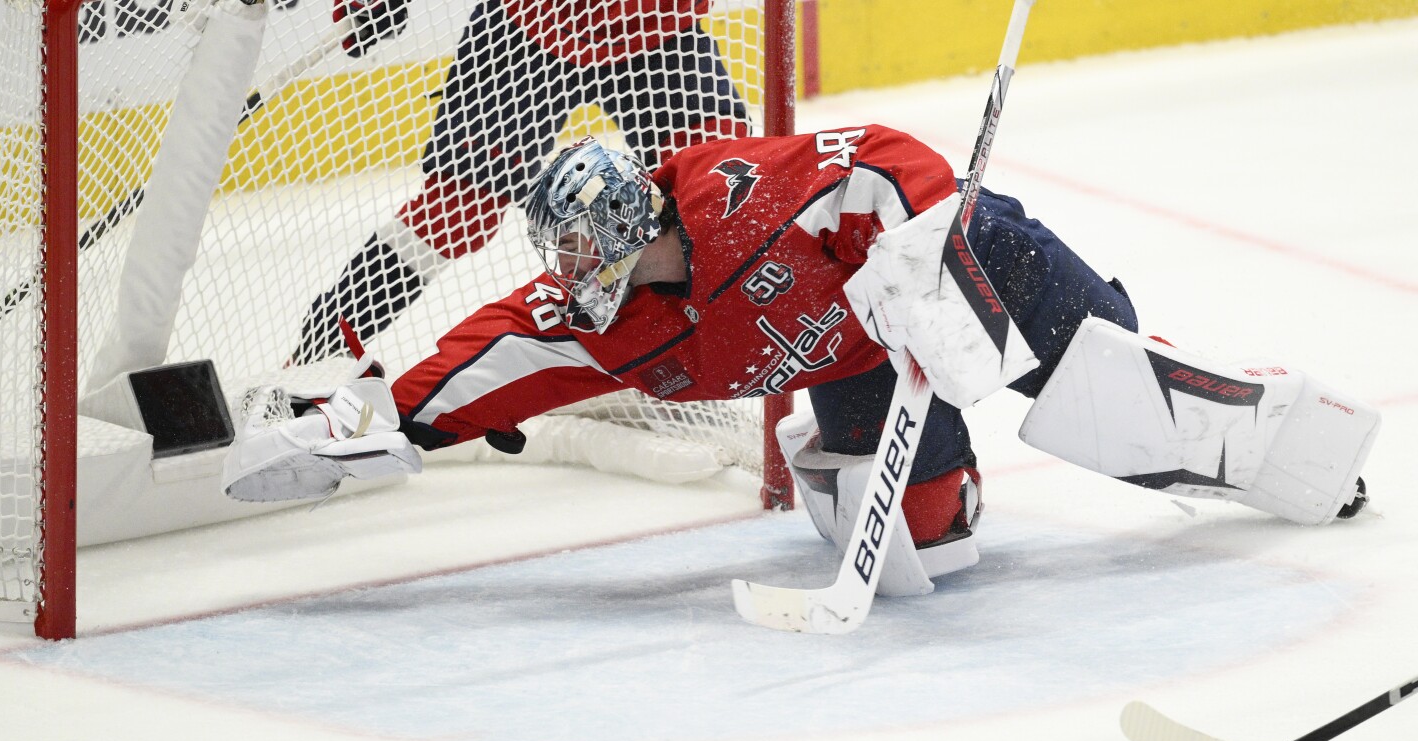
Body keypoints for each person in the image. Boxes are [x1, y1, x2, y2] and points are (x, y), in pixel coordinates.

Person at [226, 125, 1377, 596]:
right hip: (863, 354)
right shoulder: (607, 319)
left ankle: (1298, 444)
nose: (572, 266)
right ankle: (904, 453)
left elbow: (879, 156)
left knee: (1106, 411)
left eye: (585, 241)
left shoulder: (740, 196)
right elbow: (493, 355)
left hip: (969, 264)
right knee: (933, 546)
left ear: (631, 219)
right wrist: (389, 421)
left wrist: (920, 249)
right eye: (562, 249)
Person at [292, 0, 751, 364]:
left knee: (719, 188)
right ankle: (316, 357)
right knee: (452, 214)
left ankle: (662, 358)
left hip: (656, 30)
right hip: (529, 26)